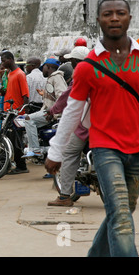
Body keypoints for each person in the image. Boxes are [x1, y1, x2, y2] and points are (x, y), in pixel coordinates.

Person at [45, 0, 139, 257]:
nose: (114, 18)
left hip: (138, 148)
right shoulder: (87, 68)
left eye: (120, 13)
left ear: (129, 18)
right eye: (108, 13)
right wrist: (56, 152)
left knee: (122, 211)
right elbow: (73, 111)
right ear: (98, 20)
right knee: (121, 218)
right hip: (105, 148)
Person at [46, 46, 90, 206]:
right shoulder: (103, 71)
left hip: (85, 124)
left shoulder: (80, 75)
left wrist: (53, 110)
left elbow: (67, 98)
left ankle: (64, 196)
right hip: (105, 124)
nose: (70, 64)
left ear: (77, 62)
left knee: (70, 154)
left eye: (72, 62)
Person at [22, 58, 67, 160]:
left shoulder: (56, 77)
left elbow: (62, 96)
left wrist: (54, 111)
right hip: (50, 110)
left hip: (53, 113)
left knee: (28, 119)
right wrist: (44, 94)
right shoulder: (52, 78)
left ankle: (34, 149)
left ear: (49, 67)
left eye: (44, 68)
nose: (43, 70)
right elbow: (55, 96)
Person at [0, 51, 29, 174]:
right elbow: (4, 92)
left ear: (11, 59)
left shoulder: (20, 74)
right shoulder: (9, 74)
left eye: (4, 60)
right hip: (8, 112)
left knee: (15, 140)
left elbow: (25, 95)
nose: (2, 62)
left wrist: (23, 111)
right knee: (7, 139)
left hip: (17, 113)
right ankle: (5, 165)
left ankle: (21, 166)